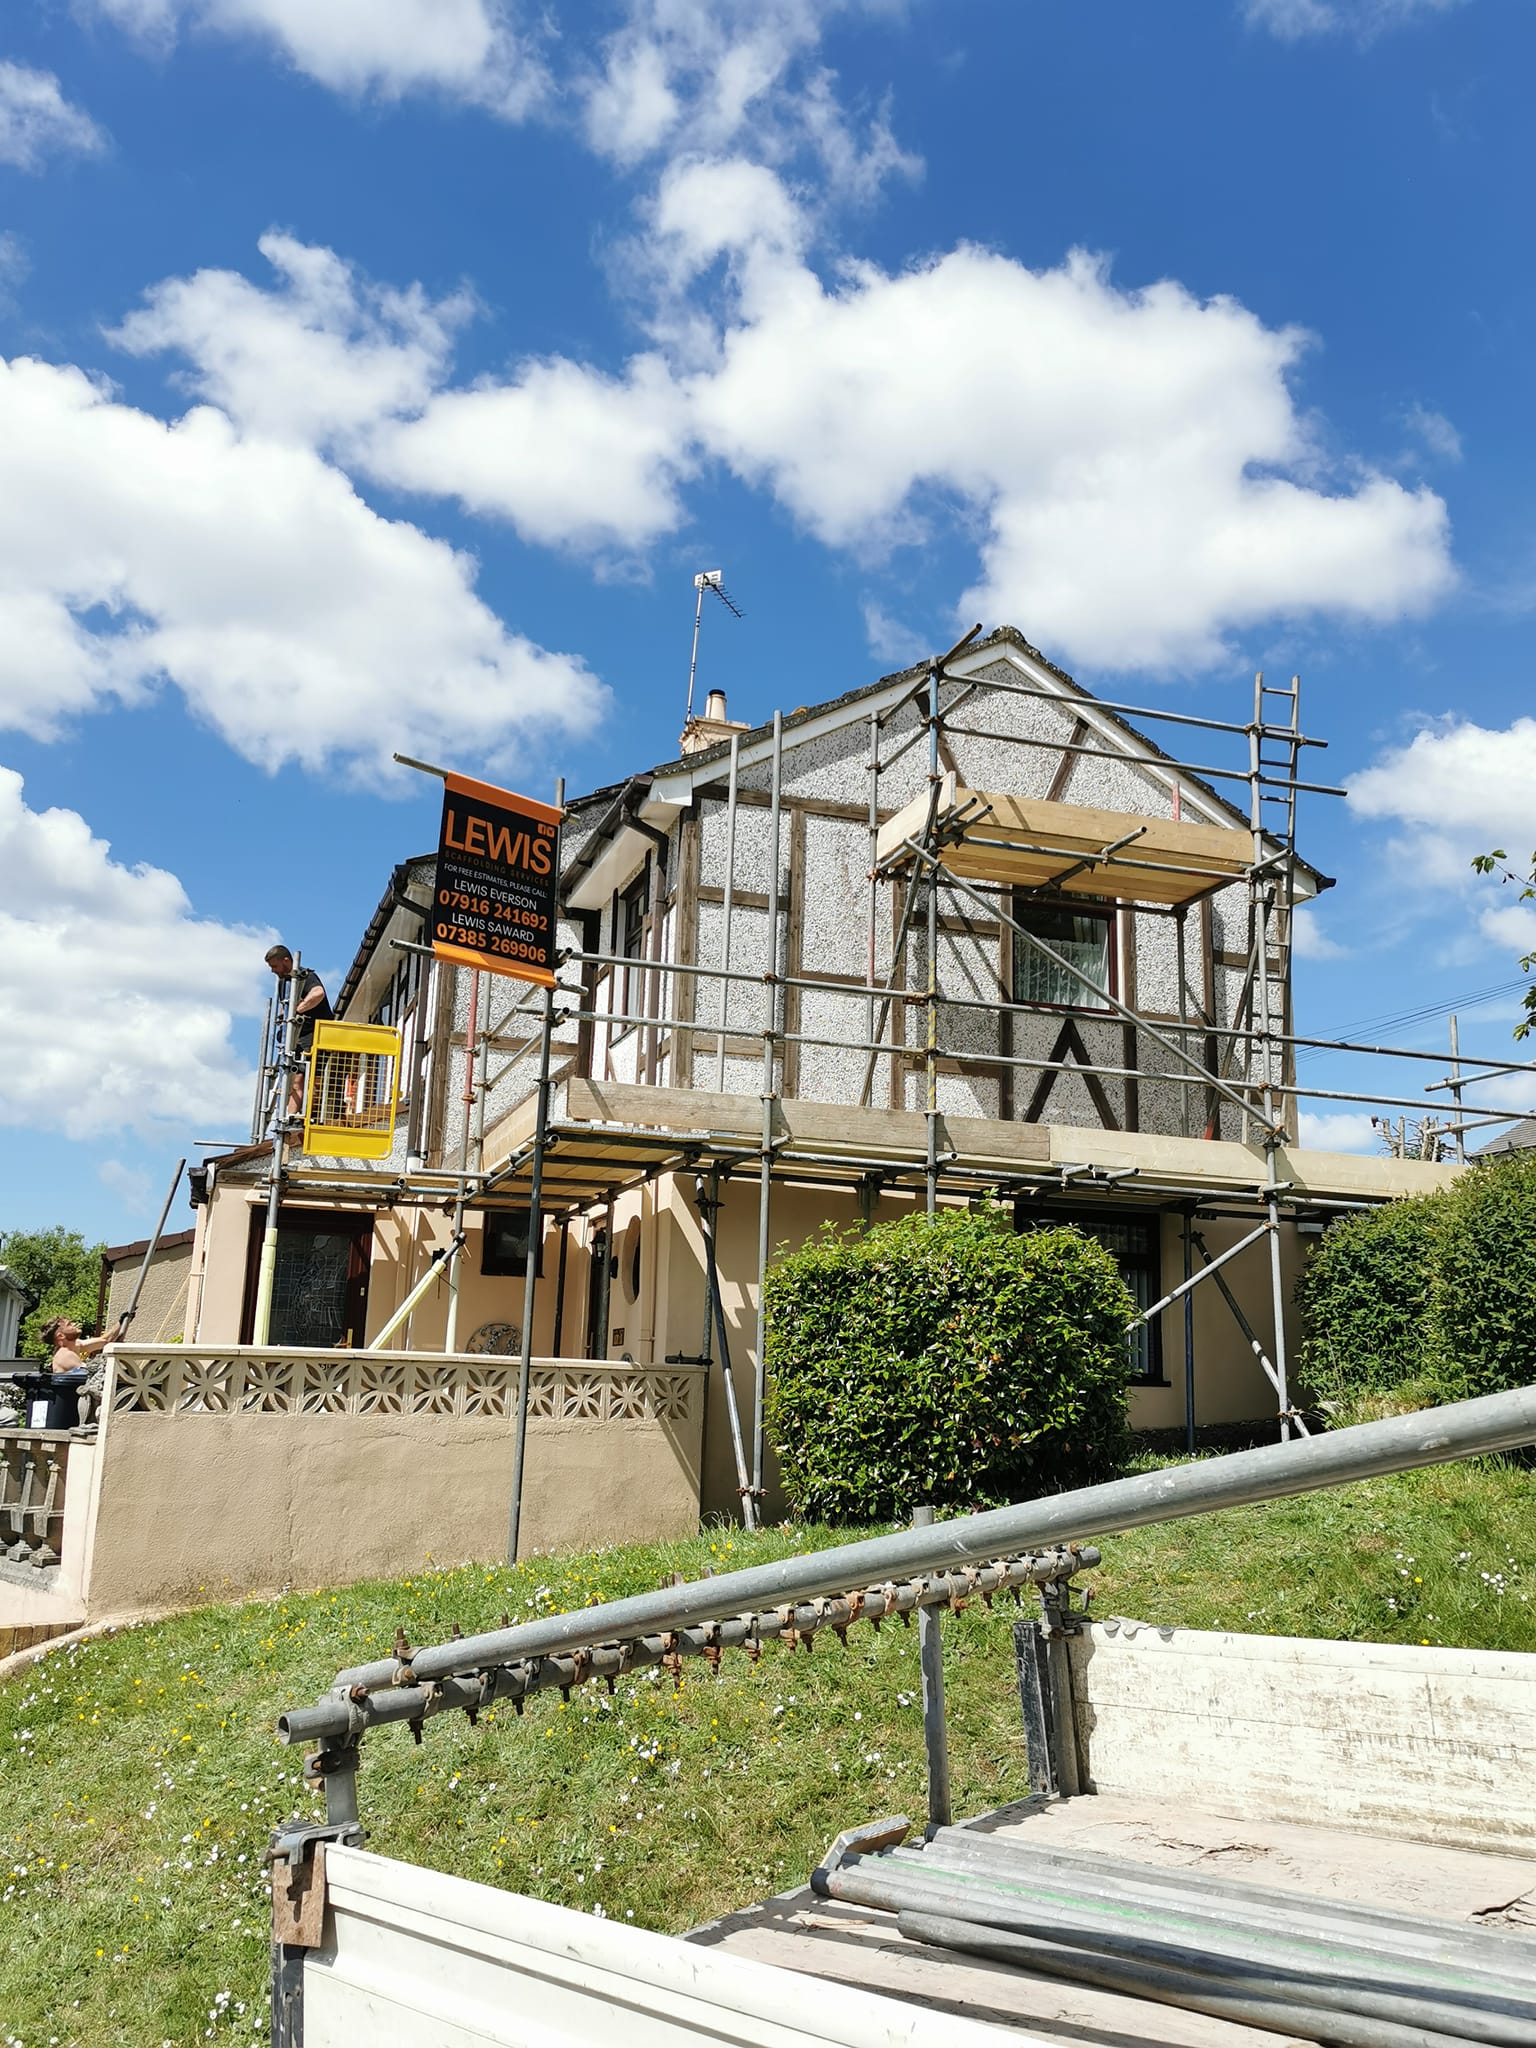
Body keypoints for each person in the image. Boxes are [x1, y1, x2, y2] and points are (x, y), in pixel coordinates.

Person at [264, 945, 333, 1118]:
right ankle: (290, 1115)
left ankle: (302, 1115)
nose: (273, 971)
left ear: (286, 961)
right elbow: (285, 1004)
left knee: (305, 1077)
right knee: (295, 1078)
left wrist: (298, 1010)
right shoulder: (283, 982)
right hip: (297, 1035)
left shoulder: (305, 976)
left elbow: (318, 993)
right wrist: (283, 1016)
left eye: (275, 966)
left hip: (313, 1035)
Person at [43, 1314, 124, 1375]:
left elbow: (104, 1340)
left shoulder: (75, 1345)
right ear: (61, 1336)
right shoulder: (65, 1354)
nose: (74, 1324)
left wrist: (121, 1322)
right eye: (69, 1325)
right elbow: (90, 1373)